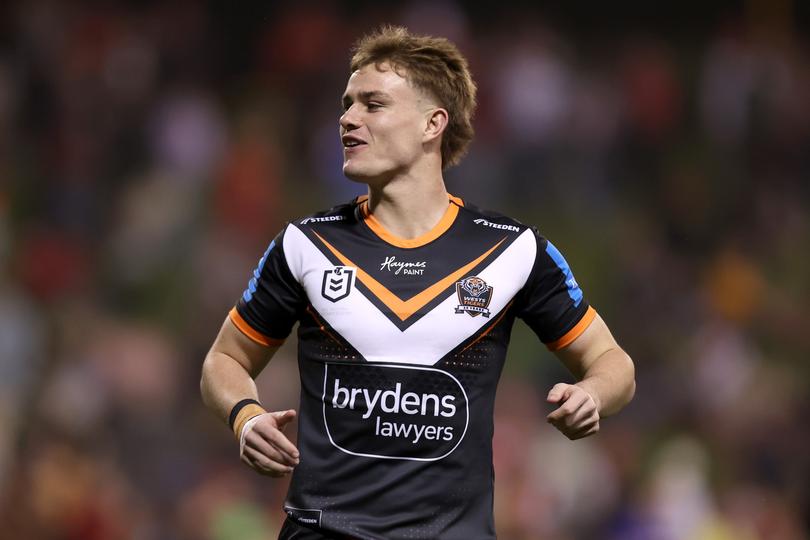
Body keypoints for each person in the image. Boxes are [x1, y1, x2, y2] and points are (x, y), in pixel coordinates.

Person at [201, 25, 635, 540]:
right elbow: (223, 360)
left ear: (433, 123)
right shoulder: (305, 244)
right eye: (347, 104)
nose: (347, 118)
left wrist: (592, 395)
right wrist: (245, 417)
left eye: (373, 104)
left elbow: (615, 365)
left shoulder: (511, 250)